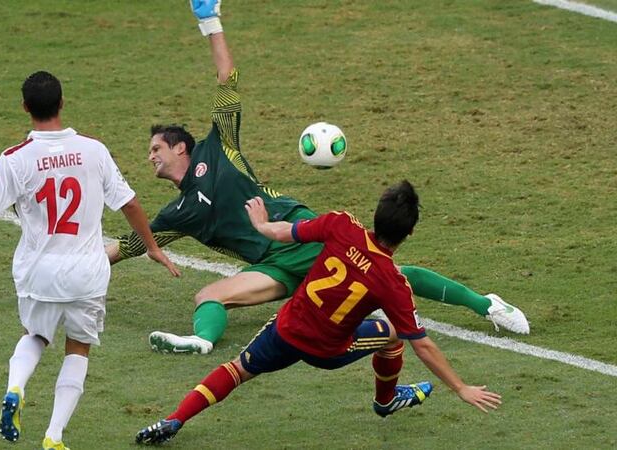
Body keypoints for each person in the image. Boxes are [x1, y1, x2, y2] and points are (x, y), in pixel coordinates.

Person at [106, 0, 529, 356]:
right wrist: (63, 264)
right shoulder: (176, 213)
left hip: (298, 235)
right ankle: (200, 341)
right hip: (272, 266)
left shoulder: (219, 147)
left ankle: (487, 305)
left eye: (156, 149)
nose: (150, 158)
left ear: (181, 147)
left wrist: (209, 21)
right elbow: (126, 247)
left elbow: (226, 80)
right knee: (209, 296)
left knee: (386, 273)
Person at [0, 71, 180, 450]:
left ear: (25, 108)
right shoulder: (93, 150)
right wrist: (152, 247)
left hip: (39, 274)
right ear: (62, 103)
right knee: (78, 348)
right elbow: (129, 202)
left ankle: (16, 386)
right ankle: (54, 435)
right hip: (87, 274)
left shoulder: (15, 159)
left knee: (35, 336)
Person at [135, 181, 502, 445]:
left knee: (236, 370)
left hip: (287, 328)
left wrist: (262, 226)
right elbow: (422, 345)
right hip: (329, 350)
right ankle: (385, 400)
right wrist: (460, 387)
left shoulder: (342, 225)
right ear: (409, 234)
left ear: (375, 217)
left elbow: (286, 233)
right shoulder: (392, 283)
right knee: (392, 333)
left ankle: (173, 419)